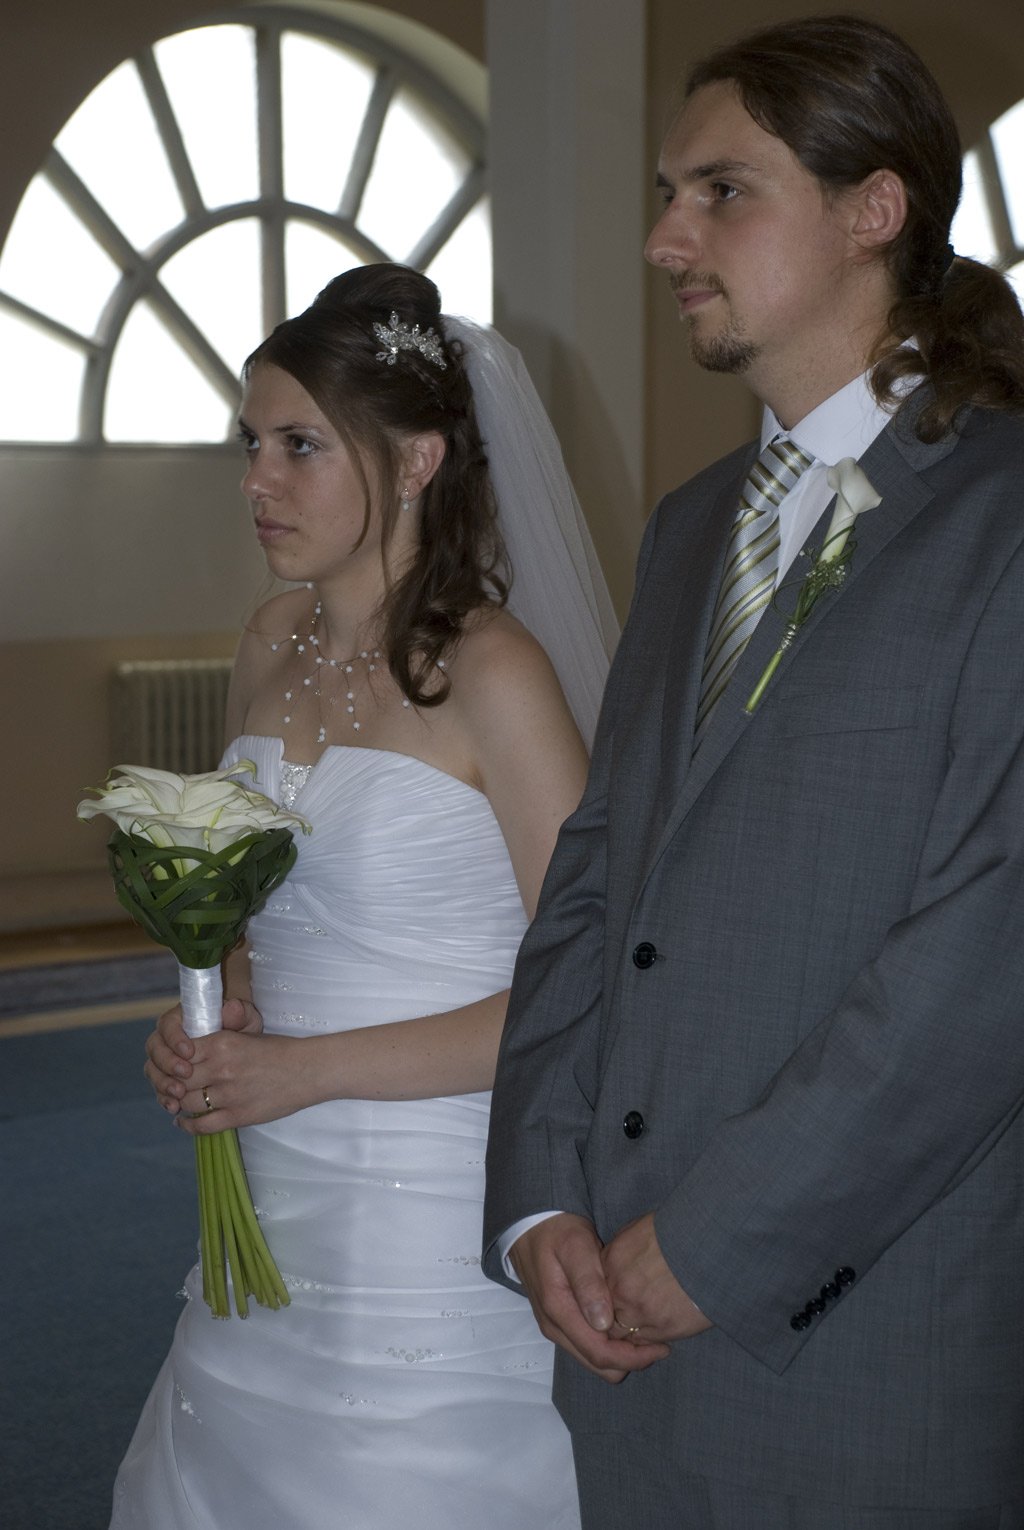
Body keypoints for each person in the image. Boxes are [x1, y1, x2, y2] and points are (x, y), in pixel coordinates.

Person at [483, 15, 1024, 1527]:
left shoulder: (1004, 517)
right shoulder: (688, 525)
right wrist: (540, 1195)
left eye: (721, 192)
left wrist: (717, 1243)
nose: (667, 240)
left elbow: (985, 959)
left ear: (873, 209)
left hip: (866, 1337)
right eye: (669, 196)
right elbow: (597, 877)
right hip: (619, 1330)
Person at [111, 261, 616, 1529]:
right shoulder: (265, 640)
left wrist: (308, 1069)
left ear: (417, 460)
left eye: (300, 446)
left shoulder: (492, 672)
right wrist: (214, 1012)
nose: (257, 481)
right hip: (272, 1168)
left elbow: (583, 989)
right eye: (249, 443)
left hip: (430, 1190)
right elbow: (253, 913)